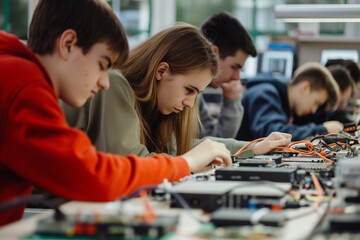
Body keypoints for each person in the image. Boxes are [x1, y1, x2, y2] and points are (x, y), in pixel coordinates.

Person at [0, 0, 234, 227]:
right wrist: (184, 164)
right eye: (102, 65)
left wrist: (250, 147)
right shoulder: (24, 86)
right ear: (68, 43)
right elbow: (96, 176)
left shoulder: (19, 76)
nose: (104, 82)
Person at [61, 24, 291, 160]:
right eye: (189, 90)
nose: (191, 103)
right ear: (162, 70)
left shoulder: (156, 107)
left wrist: (253, 147)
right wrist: (191, 162)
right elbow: (131, 161)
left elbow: (183, 146)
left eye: (196, 93)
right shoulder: (114, 84)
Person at [236, 62, 343, 141]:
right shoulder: (265, 93)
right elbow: (272, 135)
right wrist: (320, 130)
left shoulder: (284, 102)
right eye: (316, 102)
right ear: (305, 88)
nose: (314, 110)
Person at [198, 11, 257, 138]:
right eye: (234, 67)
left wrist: (231, 102)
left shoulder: (196, 95)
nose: (236, 77)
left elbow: (211, 140)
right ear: (213, 53)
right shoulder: (188, 91)